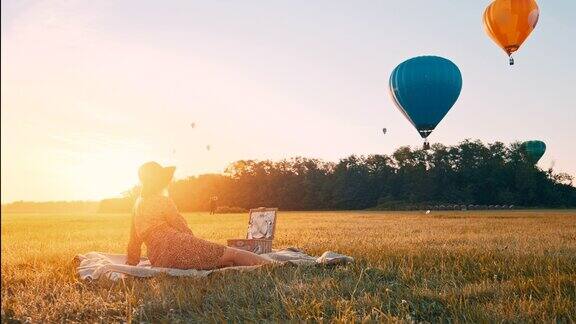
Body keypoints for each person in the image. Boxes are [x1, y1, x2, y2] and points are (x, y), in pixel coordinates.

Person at [126, 161, 272, 269]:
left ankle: (210, 260)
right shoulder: (163, 201)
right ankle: (275, 266)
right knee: (233, 254)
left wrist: (130, 264)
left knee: (222, 260)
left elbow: (133, 242)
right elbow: (181, 227)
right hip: (178, 246)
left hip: (158, 258)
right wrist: (198, 246)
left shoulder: (137, 204)